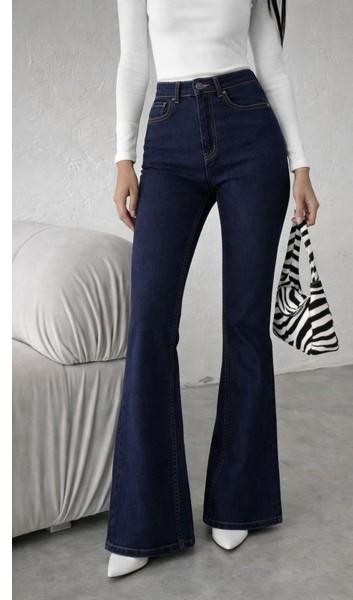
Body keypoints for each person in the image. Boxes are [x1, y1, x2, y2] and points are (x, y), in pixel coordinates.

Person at [105, 0, 320, 578]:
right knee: (150, 322)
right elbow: (133, 60)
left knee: (244, 321)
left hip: (250, 131)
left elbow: (271, 63)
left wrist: (300, 164)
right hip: (169, 133)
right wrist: (124, 157)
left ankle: (239, 502)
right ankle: (144, 523)